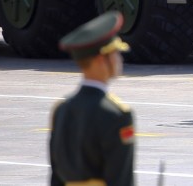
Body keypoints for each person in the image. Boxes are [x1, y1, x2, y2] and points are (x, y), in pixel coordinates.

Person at [49, 11, 136, 186]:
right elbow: (121, 179)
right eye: (114, 53)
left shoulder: (61, 109)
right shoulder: (117, 114)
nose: (119, 59)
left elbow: (56, 176)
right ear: (99, 60)